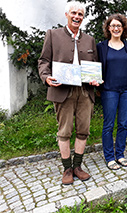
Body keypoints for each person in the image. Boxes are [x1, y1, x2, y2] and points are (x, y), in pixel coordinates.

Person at [38, 1, 100, 185]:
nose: (77, 17)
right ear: (67, 14)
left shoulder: (89, 39)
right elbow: (43, 61)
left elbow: (94, 64)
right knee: (64, 131)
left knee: (83, 130)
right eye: (74, 13)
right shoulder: (53, 35)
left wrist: (94, 79)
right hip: (62, 90)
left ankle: (78, 166)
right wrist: (46, 77)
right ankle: (67, 169)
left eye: (80, 14)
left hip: (85, 91)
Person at [96, 14, 127, 170]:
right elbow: (96, 67)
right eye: (113, 26)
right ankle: (109, 158)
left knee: (123, 124)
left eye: (119, 26)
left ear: (123, 28)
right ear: (108, 28)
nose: (116, 28)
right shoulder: (101, 47)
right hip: (109, 90)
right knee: (108, 125)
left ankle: (120, 155)